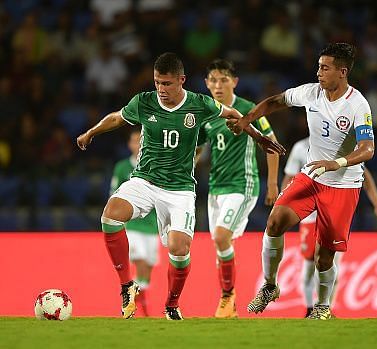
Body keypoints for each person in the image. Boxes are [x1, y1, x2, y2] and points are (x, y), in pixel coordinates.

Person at [76, 52, 284, 320]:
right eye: (157, 82)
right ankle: (127, 286)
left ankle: (172, 305)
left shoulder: (199, 104)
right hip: (145, 180)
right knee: (110, 216)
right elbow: (116, 118)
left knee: (179, 248)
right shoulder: (144, 101)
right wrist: (91, 132)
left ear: (181, 80)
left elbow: (233, 115)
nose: (161, 89)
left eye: (167, 83)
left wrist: (259, 138)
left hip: (180, 190)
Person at [227, 43, 375, 320]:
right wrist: (246, 120)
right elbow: (274, 102)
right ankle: (270, 286)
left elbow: (368, 148)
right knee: (274, 222)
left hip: (343, 185)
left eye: (324, 68)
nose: (318, 72)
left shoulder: (358, 104)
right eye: (318, 66)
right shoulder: (310, 92)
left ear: (342, 72)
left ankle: (322, 307)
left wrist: (336, 163)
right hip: (311, 176)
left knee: (325, 257)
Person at [197, 59, 280, 318]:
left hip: (243, 185)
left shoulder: (248, 110)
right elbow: (198, 149)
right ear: (206, 84)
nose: (218, 85)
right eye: (213, 80)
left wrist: (273, 184)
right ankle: (230, 302)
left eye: (224, 80)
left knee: (222, 237)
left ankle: (227, 295)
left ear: (235, 82)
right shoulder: (207, 113)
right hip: (216, 188)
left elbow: (271, 144)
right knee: (221, 245)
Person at [282, 136, 377, 317]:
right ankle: (309, 309)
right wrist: (284, 204)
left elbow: (365, 174)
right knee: (309, 264)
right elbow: (289, 178)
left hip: (335, 212)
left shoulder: (344, 144)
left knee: (331, 265)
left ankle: (325, 309)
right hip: (310, 216)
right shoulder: (300, 147)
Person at [110, 129, 159, 316]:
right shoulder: (122, 167)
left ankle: (137, 299)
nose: (137, 144)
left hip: (153, 225)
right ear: (129, 144)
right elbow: (113, 194)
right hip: (133, 225)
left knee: (147, 269)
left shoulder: (156, 165)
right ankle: (141, 308)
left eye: (140, 141)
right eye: (134, 141)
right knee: (139, 261)